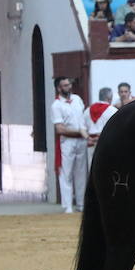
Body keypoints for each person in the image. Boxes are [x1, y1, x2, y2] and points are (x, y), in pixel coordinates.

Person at [51, 77, 87, 213]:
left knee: (81, 172)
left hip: (81, 140)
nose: (69, 87)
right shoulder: (56, 105)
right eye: (65, 85)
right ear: (59, 88)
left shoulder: (77, 99)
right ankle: (67, 205)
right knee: (66, 173)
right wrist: (79, 131)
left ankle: (81, 203)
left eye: (69, 84)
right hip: (67, 140)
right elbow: (59, 129)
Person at [82, 87, 117, 167]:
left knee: (92, 167)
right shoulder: (112, 110)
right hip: (106, 143)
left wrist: (88, 138)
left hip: (91, 142)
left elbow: (82, 128)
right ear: (109, 98)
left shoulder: (87, 110)